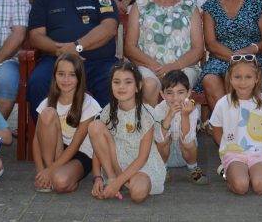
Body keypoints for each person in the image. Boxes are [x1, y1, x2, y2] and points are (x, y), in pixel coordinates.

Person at [26, 0, 120, 117]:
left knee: (113, 81)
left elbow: (109, 28)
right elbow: (35, 36)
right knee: (37, 82)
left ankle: (101, 131)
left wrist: (76, 47)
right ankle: (48, 130)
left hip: (98, 62)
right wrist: (60, 51)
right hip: (56, 61)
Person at [124, 0, 204, 104]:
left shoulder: (190, 8)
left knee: (178, 87)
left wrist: (172, 67)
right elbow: (130, 46)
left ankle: (177, 121)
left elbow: (198, 49)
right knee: (148, 84)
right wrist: (154, 66)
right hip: (148, 67)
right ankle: (152, 120)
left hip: (184, 67)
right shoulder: (140, 6)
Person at [199, 0, 262, 109]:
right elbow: (211, 43)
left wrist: (250, 50)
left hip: (252, 57)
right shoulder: (210, 6)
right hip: (221, 57)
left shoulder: (258, 2)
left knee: (238, 75)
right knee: (209, 78)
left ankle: (242, 120)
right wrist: (234, 58)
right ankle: (228, 121)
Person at [88, 62, 166, 202]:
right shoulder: (107, 111)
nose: (121, 87)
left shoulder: (146, 114)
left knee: (138, 193)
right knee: (94, 126)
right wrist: (97, 177)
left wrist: (117, 184)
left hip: (141, 166)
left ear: (138, 86)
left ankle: (122, 183)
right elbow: (97, 148)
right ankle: (112, 178)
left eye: (128, 82)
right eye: (116, 82)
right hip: (116, 163)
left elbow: (142, 158)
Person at [209, 56, 262, 195]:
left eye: (248, 77)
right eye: (237, 77)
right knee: (241, 186)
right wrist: (227, 147)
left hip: (259, 153)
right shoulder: (223, 103)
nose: (243, 82)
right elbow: (217, 132)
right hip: (234, 153)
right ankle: (228, 171)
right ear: (230, 78)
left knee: (259, 186)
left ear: (256, 78)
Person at [32, 54, 101, 193]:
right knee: (48, 113)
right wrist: (40, 172)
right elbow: (36, 141)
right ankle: (51, 172)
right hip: (57, 150)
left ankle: (58, 175)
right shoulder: (47, 102)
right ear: (54, 76)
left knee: (60, 182)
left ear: (79, 77)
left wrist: (49, 172)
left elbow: (75, 145)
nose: (66, 79)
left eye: (72, 75)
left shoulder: (89, 104)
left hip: (80, 153)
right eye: (61, 74)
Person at [152, 70, 208, 184]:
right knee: (162, 140)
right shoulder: (158, 109)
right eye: (169, 93)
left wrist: (185, 115)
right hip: (164, 156)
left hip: (185, 156)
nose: (175, 97)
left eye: (180, 92)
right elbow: (159, 138)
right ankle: (162, 169)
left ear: (188, 93)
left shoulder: (191, 109)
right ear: (162, 94)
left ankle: (193, 169)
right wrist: (169, 115)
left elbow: (187, 138)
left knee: (189, 142)